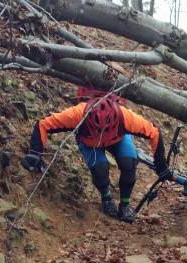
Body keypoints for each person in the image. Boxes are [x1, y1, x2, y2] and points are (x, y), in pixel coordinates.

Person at [22, 87, 170, 223]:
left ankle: (124, 205)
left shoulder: (125, 116)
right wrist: (35, 153)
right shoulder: (77, 114)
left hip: (118, 138)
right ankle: (106, 198)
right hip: (89, 142)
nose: (102, 134)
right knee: (100, 169)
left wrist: (161, 166)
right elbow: (43, 124)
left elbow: (154, 132)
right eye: (99, 130)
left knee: (129, 163)